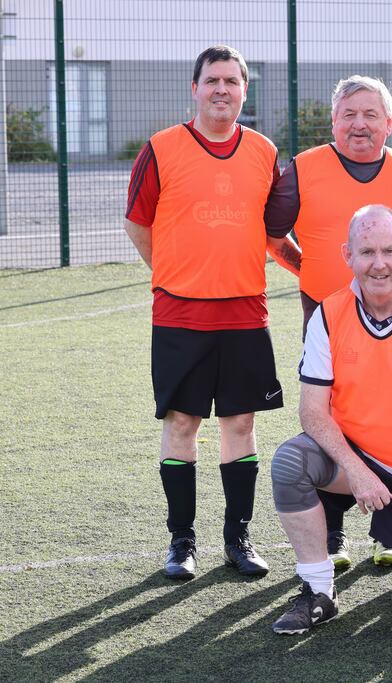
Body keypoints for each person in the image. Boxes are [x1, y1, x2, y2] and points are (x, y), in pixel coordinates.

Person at [124, 45, 301, 581]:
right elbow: (137, 222)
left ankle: (238, 537)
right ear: (195, 88)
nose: (221, 89)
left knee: (241, 423)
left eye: (232, 80)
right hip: (180, 314)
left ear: (245, 90)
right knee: (182, 422)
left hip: (246, 312)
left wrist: (311, 272)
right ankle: (181, 541)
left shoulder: (264, 152)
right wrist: (174, 273)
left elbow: (275, 236)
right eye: (212, 80)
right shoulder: (161, 148)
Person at [269, 205, 392, 635]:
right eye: (366, 252)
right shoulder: (328, 314)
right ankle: (318, 591)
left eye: (388, 251)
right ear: (347, 255)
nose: (378, 264)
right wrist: (359, 473)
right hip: (357, 462)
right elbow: (311, 410)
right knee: (291, 462)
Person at [264, 75, 392, 569]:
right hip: (326, 319)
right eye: (349, 114)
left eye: (371, 114)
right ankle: (331, 535)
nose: (360, 124)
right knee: (327, 418)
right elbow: (272, 235)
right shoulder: (303, 170)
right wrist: (307, 270)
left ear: (389, 124)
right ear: (333, 121)